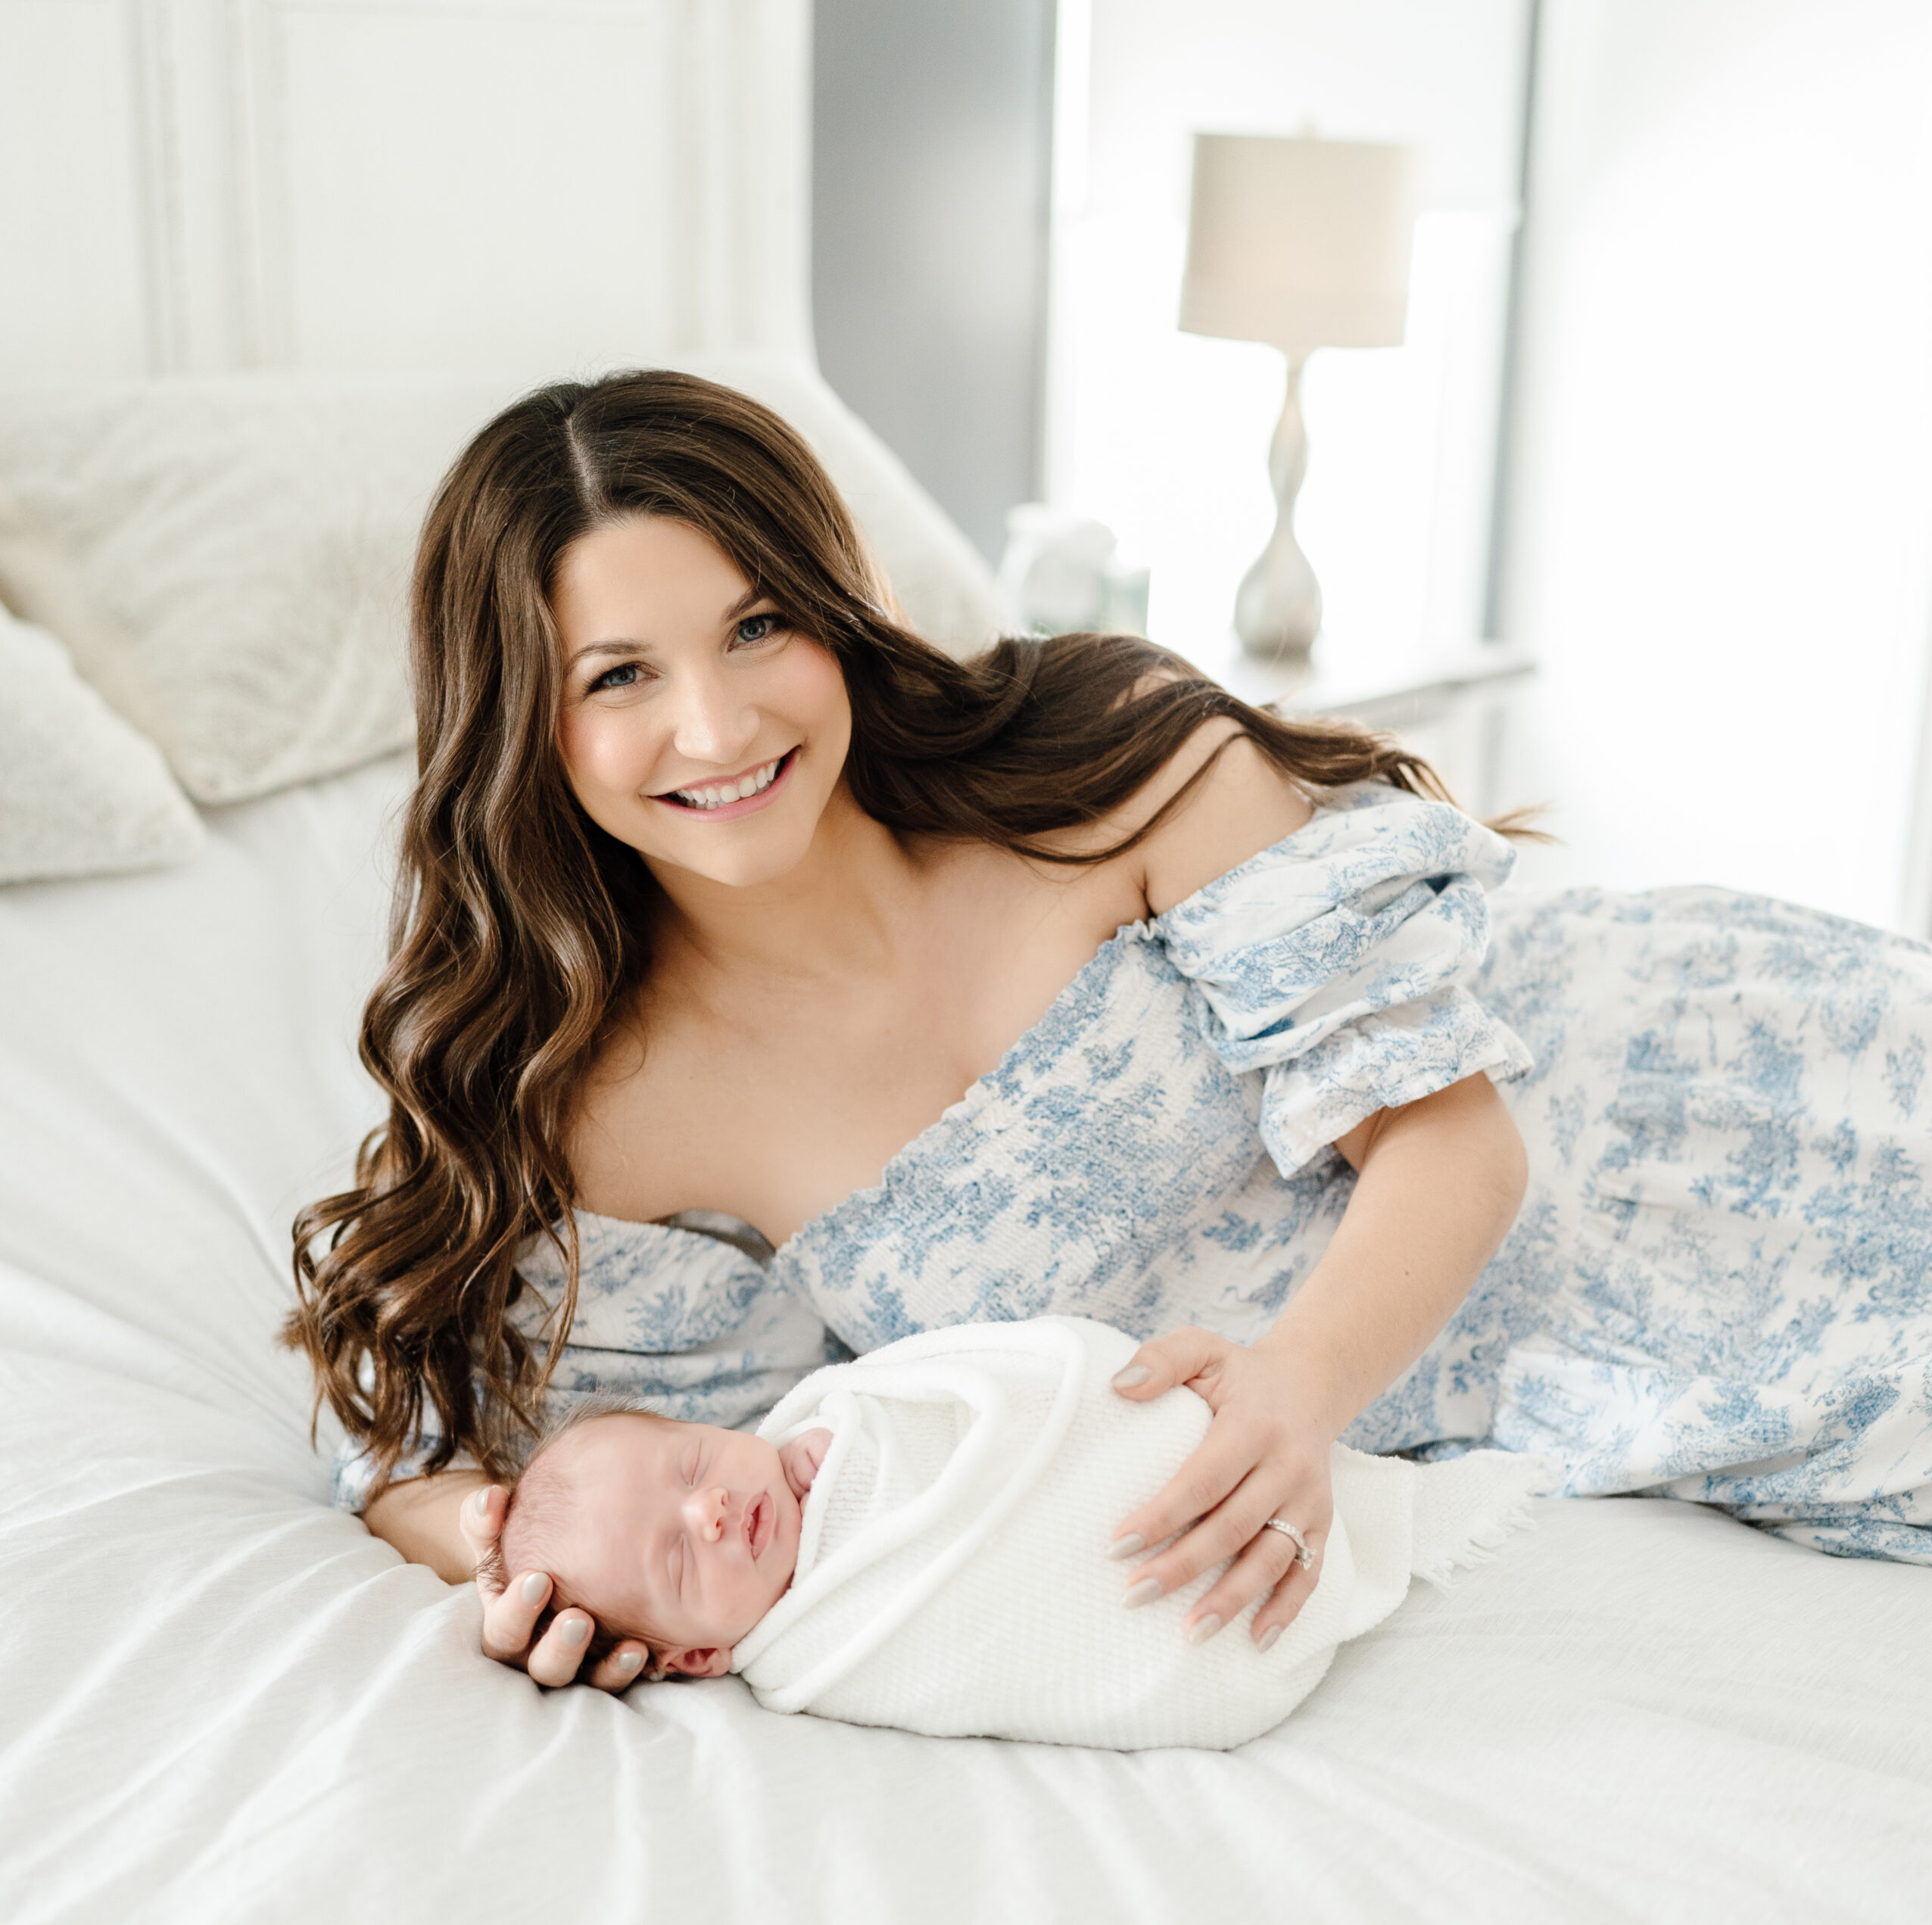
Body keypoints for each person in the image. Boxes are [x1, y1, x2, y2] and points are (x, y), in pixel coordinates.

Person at [288, 369, 1932, 1698]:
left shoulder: (1095, 759)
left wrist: (1294, 1392)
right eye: (619, 676)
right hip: (1584, 1375)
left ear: (832, 610)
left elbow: (1451, 1131)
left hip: (1698, 1074)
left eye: (756, 625)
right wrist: (510, 1555)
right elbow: (434, 1459)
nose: (715, 725)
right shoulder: (617, 1119)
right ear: (524, 722)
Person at [480, 1316, 1544, 1749]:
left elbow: (1025, 1392)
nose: (709, 1509)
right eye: (677, 1556)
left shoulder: (843, 1421)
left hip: (1207, 1443)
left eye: (690, 1465)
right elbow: (974, 1647)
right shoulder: (816, 1658)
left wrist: (834, 1459)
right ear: (697, 1658)